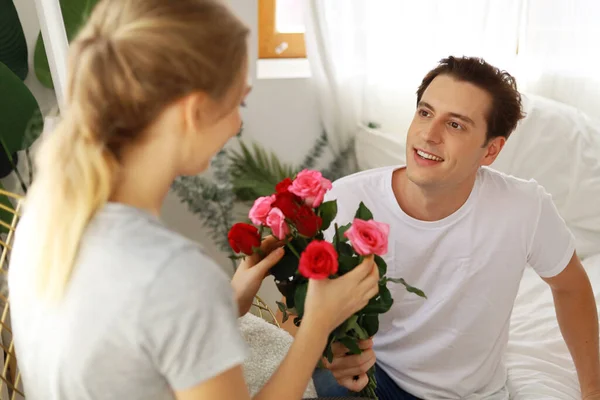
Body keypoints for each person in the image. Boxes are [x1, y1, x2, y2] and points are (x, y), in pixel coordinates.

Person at [6, 1, 380, 399]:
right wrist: (317, 325)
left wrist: (227, 299)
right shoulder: (173, 273)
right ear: (194, 110)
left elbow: (128, 341)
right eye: (239, 102)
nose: (238, 124)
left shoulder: (46, 219)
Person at [309, 56, 600, 399]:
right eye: (425, 113)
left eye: (455, 125)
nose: (428, 135)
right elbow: (297, 312)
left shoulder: (525, 208)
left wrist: (592, 391)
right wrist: (330, 354)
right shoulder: (346, 199)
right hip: (373, 378)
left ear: (490, 150)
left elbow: (571, 287)